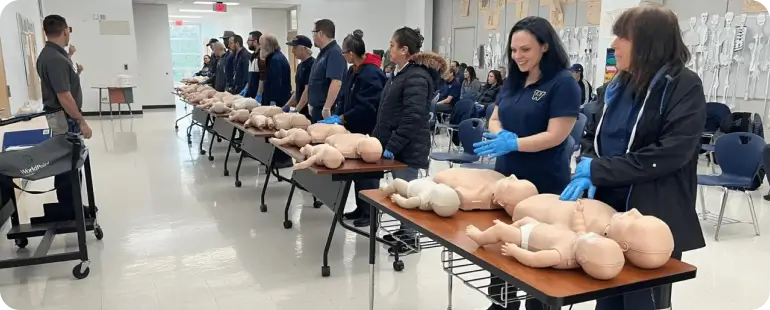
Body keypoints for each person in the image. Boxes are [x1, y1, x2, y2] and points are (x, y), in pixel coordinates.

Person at [559, 6, 706, 310]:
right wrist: (587, 165)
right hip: (608, 209)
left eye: (623, 37)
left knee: (641, 301)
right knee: (607, 295)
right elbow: (592, 135)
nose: (614, 45)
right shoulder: (617, 85)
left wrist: (601, 169)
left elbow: (672, 152)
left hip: (651, 214)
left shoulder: (683, 85)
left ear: (649, 42)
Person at [472, 16, 580, 310]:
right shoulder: (514, 80)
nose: (518, 56)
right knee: (502, 240)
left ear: (545, 47)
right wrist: (500, 134)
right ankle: (502, 302)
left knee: (535, 246)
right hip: (508, 175)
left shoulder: (563, 83)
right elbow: (495, 117)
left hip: (543, 180)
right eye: (513, 50)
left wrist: (515, 143)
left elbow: (556, 135)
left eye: (525, 50)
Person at [373, 26, 445, 255]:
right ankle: (404, 232)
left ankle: (411, 239)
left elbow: (413, 117)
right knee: (400, 193)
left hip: (408, 148)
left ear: (404, 49)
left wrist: (392, 145)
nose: (389, 49)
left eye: (392, 45)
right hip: (397, 145)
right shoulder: (400, 73)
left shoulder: (417, 76)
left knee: (408, 193)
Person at [320, 29, 386, 227]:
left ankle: (371, 213)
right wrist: (337, 114)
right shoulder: (352, 70)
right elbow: (346, 96)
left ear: (350, 54)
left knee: (368, 174)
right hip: (352, 127)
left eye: (343, 52)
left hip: (367, 128)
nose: (342, 55)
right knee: (357, 171)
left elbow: (368, 106)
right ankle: (360, 207)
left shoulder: (372, 73)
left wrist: (343, 117)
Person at [37, 14, 91, 217]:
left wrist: (70, 59)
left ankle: (71, 206)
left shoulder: (54, 55)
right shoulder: (54, 59)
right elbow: (64, 95)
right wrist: (81, 121)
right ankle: (69, 208)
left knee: (69, 162)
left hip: (63, 115)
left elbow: (63, 83)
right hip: (64, 117)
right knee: (66, 162)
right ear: (65, 30)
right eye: (69, 31)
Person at [307, 19, 346, 123]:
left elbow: (336, 82)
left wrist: (327, 108)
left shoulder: (334, 53)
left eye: (313, 33)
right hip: (317, 108)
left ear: (320, 33)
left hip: (326, 111)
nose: (313, 36)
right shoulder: (323, 53)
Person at [284, 35, 315, 120]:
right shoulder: (300, 66)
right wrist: (287, 105)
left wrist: (297, 109)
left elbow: (307, 90)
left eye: (295, 47)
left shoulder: (312, 65)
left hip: (308, 113)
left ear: (304, 48)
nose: (292, 51)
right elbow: (298, 90)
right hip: (301, 111)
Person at [259, 34, 292, 107]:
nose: (260, 47)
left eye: (261, 45)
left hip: (277, 101)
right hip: (275, 98)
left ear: (267, 46)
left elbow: (276, 81)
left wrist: (273, 100)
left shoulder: (275, 60)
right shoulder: (275, 57)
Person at [242, 30, 262, 100]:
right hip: (250, 93)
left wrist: (259, 94)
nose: (247, 42)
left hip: (257, 94)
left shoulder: (261, 56)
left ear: (255, 42)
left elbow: (262, 78)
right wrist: (246, 88)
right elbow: (250, 76)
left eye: (249, 40)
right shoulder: (252, 56)